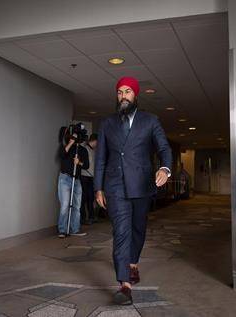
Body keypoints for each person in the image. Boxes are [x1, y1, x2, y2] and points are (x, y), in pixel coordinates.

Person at [94, 77, 172, 305]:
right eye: (119, 92)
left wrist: (165, 169)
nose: (123, 96)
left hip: (141, 184)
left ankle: (133, 263)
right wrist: (98, 187)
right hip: (115, 185)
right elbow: (100, 159)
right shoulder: (107, 123)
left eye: (127, 91)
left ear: (135, 95)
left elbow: (164, 148)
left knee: (138, 229)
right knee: (121, 233)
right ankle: (124, 284)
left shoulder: (150, 120)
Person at [57, 131, 89, 238]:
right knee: (65, 205)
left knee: (77, 205)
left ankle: (74, 229)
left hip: (77, 180)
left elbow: (87, 165)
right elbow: (61, 155)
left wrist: (79, 162)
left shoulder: (83, 150)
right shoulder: (67, 147)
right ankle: (62, 230)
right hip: (65, 178)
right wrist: (70, 143)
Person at [80, 133, 97, 225]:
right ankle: (83, 218)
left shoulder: (93, 151)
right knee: (83, 198)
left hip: (91, 177)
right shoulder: (85, 149)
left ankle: (91, 216)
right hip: (84, 176)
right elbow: (84, 164)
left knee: (90, 197)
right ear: (94, 141)